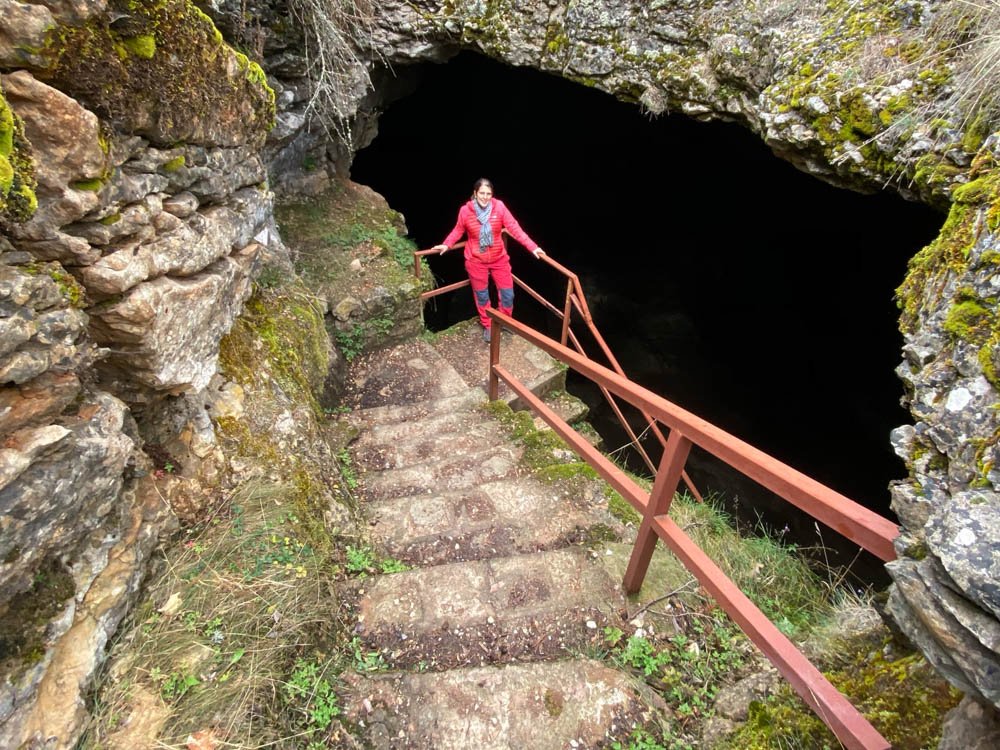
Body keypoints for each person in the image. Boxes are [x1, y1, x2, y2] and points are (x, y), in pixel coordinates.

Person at [432, 178, 546, 341]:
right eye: (482, 193)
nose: (485, 197)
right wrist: (446, 244)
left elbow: (514, 227)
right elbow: (458, 230)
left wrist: (532, 247)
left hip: (499, 258)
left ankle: (504, 320)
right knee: (482, 296)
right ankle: (487, 325)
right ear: (475, 193)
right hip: (475, 260)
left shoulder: (499, 207)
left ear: (492, 195)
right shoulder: (466, 211)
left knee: (508, 294)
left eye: (488, 194)